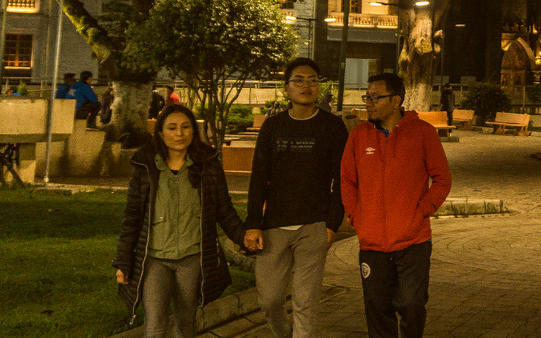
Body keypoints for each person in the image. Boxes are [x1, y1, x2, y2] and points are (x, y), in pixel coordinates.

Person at [114, 104, 247, 338]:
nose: (179, 134)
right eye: (172, 128)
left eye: (186, 127)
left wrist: (244, 237)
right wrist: (123, 261)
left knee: (186, 323)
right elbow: (132, 217)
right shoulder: (145, 165)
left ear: (193, 132)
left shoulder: (208, 163)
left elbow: (224, 210)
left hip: (192, 257)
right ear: (160, 132)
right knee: (154, 325)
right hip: (155, 258)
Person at [244, 58, 349, 338]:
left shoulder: (332, 127)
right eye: (299, 80)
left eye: (313, 80)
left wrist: (331, 224)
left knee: (305, 303)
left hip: (314, 225)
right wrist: (253, 223)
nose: (306, 86)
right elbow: (258, 177)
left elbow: (342, 179)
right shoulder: (273, 127)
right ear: (287, 88)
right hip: (274, 225)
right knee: (269, 300)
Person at [342, 73, 451, 338]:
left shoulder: (423, 133)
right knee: (377, 310)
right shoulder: (359, 135)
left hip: (413, 241)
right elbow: (347, 180)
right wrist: (357, 216)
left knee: (412, 305)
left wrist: (421, 211)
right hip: (372, 243)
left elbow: (442, 179)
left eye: (375, 97)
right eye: (366, 96)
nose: (368, 102)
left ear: (395, 101)